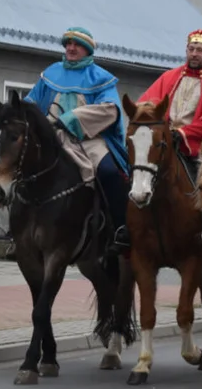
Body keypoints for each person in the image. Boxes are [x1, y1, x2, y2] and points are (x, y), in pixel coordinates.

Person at [117, 29, 202, 248]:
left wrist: (183, 133)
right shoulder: (169, 77)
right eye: (191, 49)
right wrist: (161, 130)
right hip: (163, 142)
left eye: (200, 50)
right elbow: (146, 108)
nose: (194, 54)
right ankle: (127, 228)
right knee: (136, 173)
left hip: (194, 148)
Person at [23, 27, 130, 253]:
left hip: (89, 139)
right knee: (23, 167)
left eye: (76, 45)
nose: (71, 48)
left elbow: (110, 110)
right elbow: (31, 104)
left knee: (110, 172)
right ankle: (19, 232)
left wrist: (73, 119)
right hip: (53, 138)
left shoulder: (100, 78)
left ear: (87, 50)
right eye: (67, 44)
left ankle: (120, 229)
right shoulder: (50, 73)